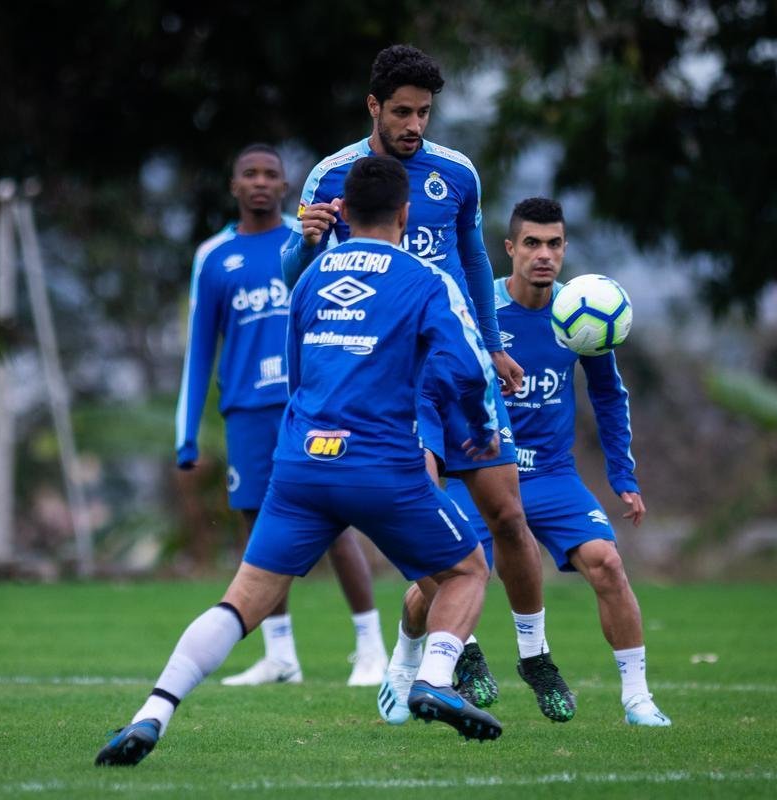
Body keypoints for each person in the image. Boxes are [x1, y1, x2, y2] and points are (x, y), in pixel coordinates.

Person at [97, 155, 505, 767]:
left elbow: (296, 372)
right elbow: (469, 368)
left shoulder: (309, 278)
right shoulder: (426, 279)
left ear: (342, 211)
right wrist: (477, 430)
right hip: (382, 466)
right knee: (468, 569)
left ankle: (152, 712)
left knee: (241, 601)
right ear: (404, 212)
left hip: (300, 464)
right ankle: (435, 678)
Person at [281, 44, 572, 722]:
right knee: (428, 526)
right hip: (393, 385)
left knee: (508, 516)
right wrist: (301, 242)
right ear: (374, 107)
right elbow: (295, 283)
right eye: (402, 112)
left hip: (463, 372)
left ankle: (533, 654)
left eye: (424, 113)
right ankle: (452, 652)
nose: (414, 126)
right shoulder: (331, 178)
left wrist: (494, 347)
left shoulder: (455, 174)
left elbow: (473, 261)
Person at [382, 197, 672, 727]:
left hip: (553, 476)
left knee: (607, 564)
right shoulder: (474, 308)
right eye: (533, 243)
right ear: (510, 248)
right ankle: (403, 661)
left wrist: (622, 477)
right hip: (481, 474)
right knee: (442, 579)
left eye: (555, 244)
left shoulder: (582, 313)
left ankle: (637, 699)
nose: (544, 255)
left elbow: (609, 396)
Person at [174, 143, 386, 687]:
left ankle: (371, 648)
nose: (262, 182)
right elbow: (201, 351)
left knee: (331, 519)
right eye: (251, 173)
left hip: (309, 404)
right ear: (234, 186)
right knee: (256, 528)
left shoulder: (313, 238)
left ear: (288, 185)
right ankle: (279, 655)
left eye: (272, 173)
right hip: (246, 410)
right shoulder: (215, 258)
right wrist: (187, 437)